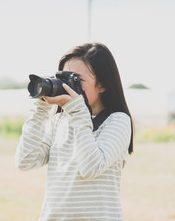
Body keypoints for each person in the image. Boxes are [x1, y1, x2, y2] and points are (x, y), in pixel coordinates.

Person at [15, 43, 133, 221]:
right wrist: (40, 111)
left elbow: (90, 168)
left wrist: (79, 112)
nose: (66, 86)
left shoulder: (117, 120)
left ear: (102, 85)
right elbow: (24, 161)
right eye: (63, 78)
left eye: (76, 80)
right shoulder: (59, 121)